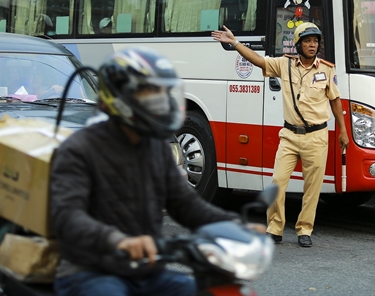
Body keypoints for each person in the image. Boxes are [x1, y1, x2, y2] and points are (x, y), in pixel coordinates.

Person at [50, 47, 253, 296]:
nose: (160, 102)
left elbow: (186, 205)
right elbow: (67, 217)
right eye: (149, 93)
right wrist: (119, 241)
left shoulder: (155, 147)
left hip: (146, 272)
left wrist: (234, 225)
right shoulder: (79, 149)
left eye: (162, 93)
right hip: (90, 272)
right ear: (119, 98)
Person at [212, 23, 349, 248]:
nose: (312, 45)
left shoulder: (326, 69)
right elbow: (258, 61)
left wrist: (342, 130)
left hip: (317, 137)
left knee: (312, 187)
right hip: (289, 135)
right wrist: (235, 42)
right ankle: (275, 228)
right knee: (277, 182)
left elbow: (335, 100)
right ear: (298, 44)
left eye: (315, 41)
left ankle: (305, 229)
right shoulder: (284, 65)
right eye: (307, 41)